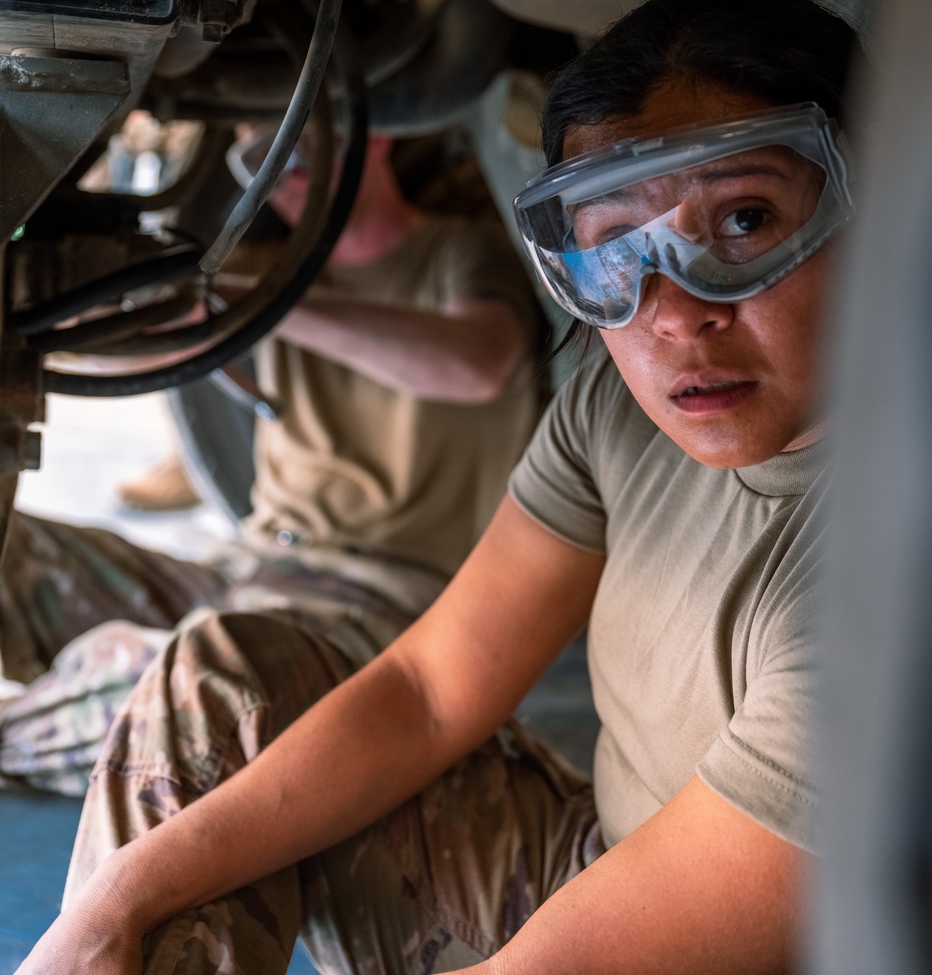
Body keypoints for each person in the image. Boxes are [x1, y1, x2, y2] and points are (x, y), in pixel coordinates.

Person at [17, 0, 854, 974]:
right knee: (223, 678)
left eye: (745, 221)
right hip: (588, 862)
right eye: (615, 254)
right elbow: (426, 690)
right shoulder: (620, 406)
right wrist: (117, 900)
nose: (673, 314)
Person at [0, 133, 543, 796]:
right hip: (246, 573)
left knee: (186, 681)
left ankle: (28, 737)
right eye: (256, 154)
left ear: (380, 135)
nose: (282, 169)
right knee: (19, 549)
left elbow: (478, 360)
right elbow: (118, 353)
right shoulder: (270, 270)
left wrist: (266, 304)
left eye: (302, 144)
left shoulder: (458, 251)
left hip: (378, 603)